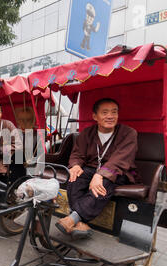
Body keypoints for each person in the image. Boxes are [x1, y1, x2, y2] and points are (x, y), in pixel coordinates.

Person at [55, 98, 139, 240]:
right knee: (75, 177)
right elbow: (77, 154)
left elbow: (120, 159)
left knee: (104, 183)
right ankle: (80, 222)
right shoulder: (87, 133)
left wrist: (100, 175)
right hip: (92, 169)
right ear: (95, 116)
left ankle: (72, 218)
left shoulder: (129, 133)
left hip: (118, 172)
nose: (110, 116)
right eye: (105, 112)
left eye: (114, 112)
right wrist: (75, 165)